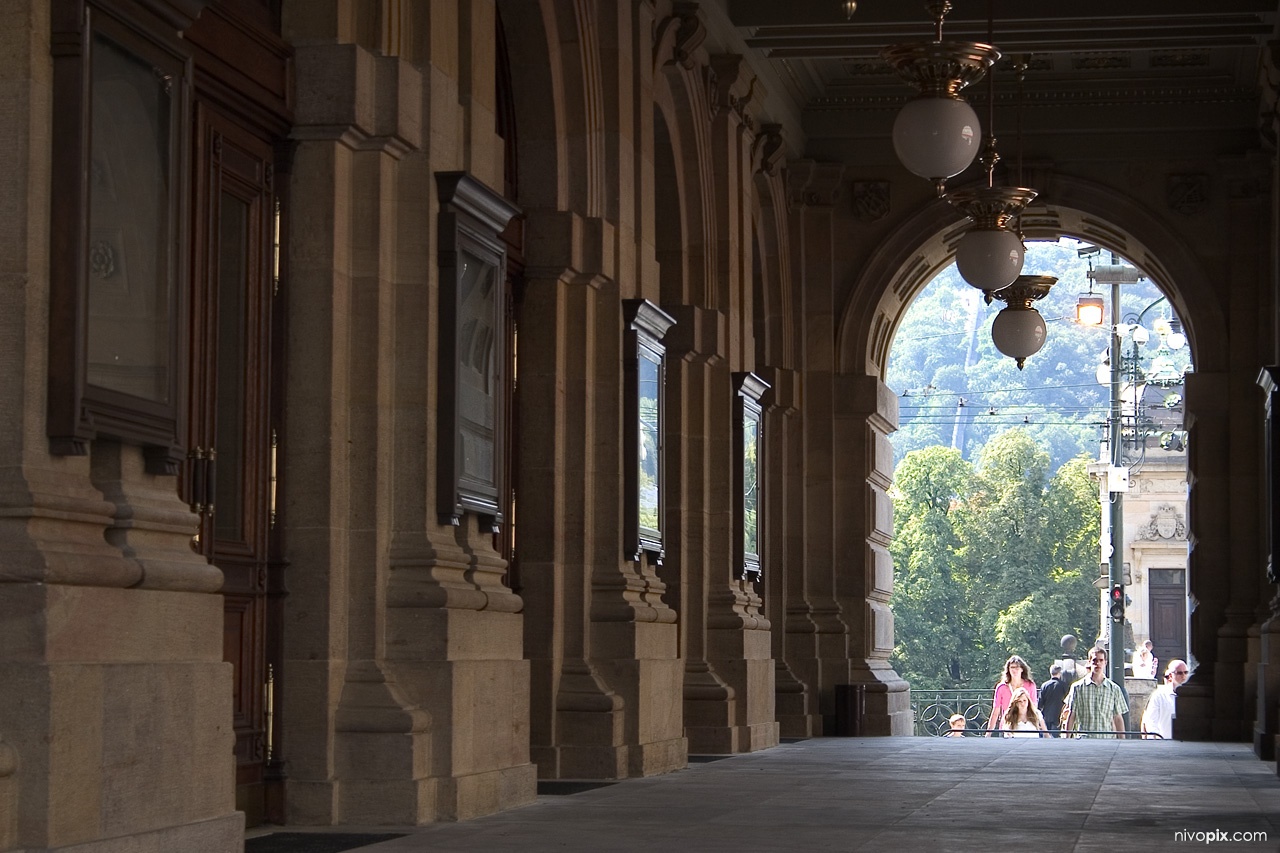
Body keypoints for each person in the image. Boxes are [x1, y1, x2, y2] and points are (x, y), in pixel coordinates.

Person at [1064, 646, 1128, 738]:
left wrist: (1122, 742)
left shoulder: (1114, 689)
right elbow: (1071, 714)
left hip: (1107, 740)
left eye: (1101, 660)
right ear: (1089, 662)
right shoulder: (1077, 687)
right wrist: (1067, 740)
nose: (1097, 663)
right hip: (1084, 740)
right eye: (1094, 660)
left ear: (1105, 662)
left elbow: (1118, 717)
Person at [986, 655, 1038, 736]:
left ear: (1022, 669)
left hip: (1025, 727)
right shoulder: (1001, 687)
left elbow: (1034, 708)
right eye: (1012, 667)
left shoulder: (1030, 685)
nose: (1014, 670)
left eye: (1017, 667)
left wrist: (1037, 726)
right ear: (1008, 670)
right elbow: (996, 711)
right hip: (1007, 727)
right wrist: (988, 733)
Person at [1141, 659, 1190, 739]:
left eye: (1186, 672)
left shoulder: (1192, 695)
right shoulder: (1158, 695)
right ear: (1171, 676)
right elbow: (1151, 722)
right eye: (1179, 673)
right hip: (1165, 745)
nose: (1183, 676)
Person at [1038, 664, 1070, 737]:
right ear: (1060, 673)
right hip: (1058, 717)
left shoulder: (1044, 685)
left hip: (1046, 716)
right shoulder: (1064, 686)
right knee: (1056, 740)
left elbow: (1040, 703)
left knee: (1046, 739)